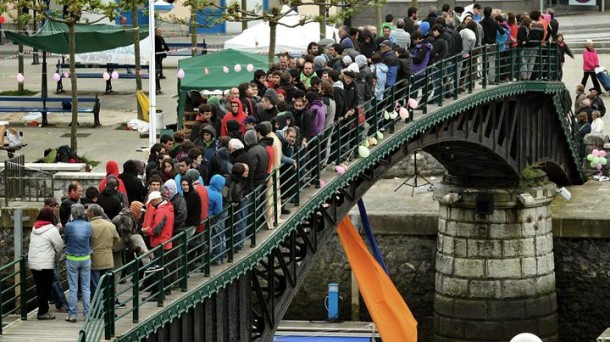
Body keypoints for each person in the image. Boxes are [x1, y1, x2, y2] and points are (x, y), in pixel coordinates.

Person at [28, 208, 64, 320]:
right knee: (46, 288)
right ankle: (43, 312)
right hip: (46, 263)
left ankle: (42, 309)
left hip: (33, 262)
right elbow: (59, 246)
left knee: (40, 287)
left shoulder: (35, 228)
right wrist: (55, 258)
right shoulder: (52, 230)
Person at [63, 204, 92, 323]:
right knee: (86, 287)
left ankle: (73, 314)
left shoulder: (69, 226)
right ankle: (87, 314)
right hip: (86, 257)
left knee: (73, 288)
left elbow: (65, 240)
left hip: (72, 258)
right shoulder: (89, 225)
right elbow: (90, 240)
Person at [88, 204, 119, 298]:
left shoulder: (89, 226)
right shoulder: (110, 225)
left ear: (92, 213)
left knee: (95, 285)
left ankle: (96, 306)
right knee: (108, 284)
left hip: (94, 258)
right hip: (108, 257)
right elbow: (116, 239)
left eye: (88, 211)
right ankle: (109, 304)